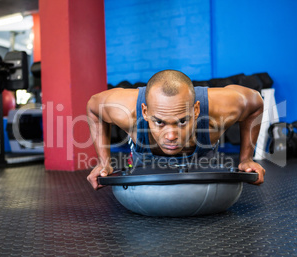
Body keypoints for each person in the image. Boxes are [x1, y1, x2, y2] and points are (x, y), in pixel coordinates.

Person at [87, 70, 265, 190]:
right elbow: (93, 107)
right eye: (160, 122)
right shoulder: (126, 110)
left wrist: (246, 159)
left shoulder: (219, 109)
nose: (171, 136)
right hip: (145, 185)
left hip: (202, 187)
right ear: (145, 112)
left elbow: (255, 103)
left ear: (196, 111)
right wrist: (103, 162)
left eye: (181, 121)